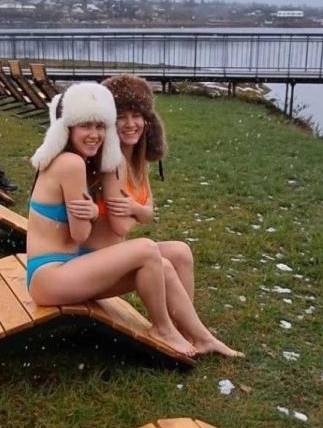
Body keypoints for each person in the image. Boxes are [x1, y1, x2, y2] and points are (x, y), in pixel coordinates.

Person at [27, 80, 202, 358]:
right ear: (68, 128)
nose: (94, 134)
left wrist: (97, 211)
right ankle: (164, 329)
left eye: (100, 126)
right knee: (146, 249)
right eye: (86, 126)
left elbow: (98, 222)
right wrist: (96, 213)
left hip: (66, 269)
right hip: (49, 277)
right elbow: (81, 234)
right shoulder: (71, 164)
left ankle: (193, 333)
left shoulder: (73, 161)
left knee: (173, 255)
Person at [87, 73, 242, 358]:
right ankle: (184, 333)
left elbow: (148, 213)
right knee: (163, 264)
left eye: (137, 115)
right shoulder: (112, 161)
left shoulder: (137, 161)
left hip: (117, 254)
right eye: (121, 117)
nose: (131, 124)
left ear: (148, 120)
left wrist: (136, 209)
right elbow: (121, 224)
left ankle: (187, 331)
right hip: (93, 264)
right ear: (109, 121)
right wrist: (138, 212)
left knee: (181, 252)